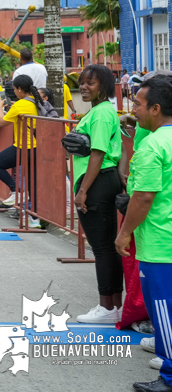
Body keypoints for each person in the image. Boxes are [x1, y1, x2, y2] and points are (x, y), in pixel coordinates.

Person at [116, 77, 172, 392]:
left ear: (155, 108)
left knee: (164, 315)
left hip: (161, 246)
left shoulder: (154, 144)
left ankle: (170, 377)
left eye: (137, 104)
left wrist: (124, 234)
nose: (133, 109)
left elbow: (144, 197)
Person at [67, 64, 124, 324]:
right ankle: (114, 305)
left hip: (97, 182)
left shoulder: (101, 114)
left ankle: (106, 306)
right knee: (107, 247)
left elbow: (98, 154)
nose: (84, 87)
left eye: (91, 82)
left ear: (104, 86)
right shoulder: (102, 111)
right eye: (82, 82)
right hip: (103, 180)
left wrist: (83, 191)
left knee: (101, 248)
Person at [0, 74, 42, 210]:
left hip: (24, 146)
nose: (15, 92)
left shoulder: (20, 104)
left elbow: (2, 122)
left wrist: (0, 107)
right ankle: (34, 217)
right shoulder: (36, 101)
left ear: (19, 89)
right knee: (32, 182)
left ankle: (16, 191)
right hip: (37, 146)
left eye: (15, 89)